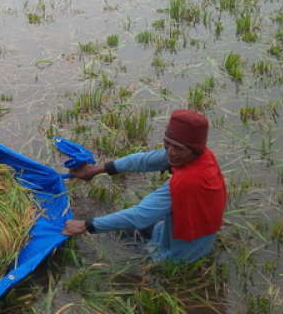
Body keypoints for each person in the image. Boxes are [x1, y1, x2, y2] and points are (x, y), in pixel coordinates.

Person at [63, 109, 227, 263]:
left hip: (178, 254)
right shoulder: (200, 156)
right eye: (167, 144)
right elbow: (143, 161)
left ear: (194, 150)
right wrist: (96, 170)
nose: (170, 152)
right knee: (130, 225)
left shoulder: (188, 181)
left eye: (178, 148)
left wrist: (86, 225)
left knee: (118, 239)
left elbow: (140, 216)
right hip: (189, 235)